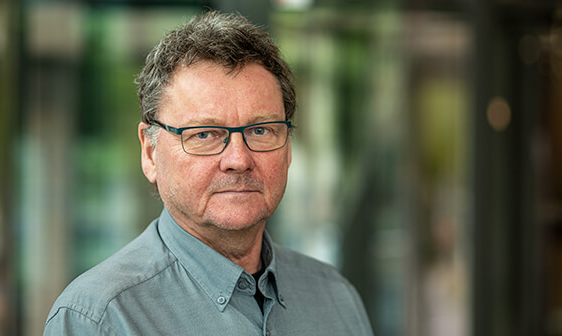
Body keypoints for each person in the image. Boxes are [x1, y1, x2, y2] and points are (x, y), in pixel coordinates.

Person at [44, 11, 373, 336]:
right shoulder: (100, 319)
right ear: (149, 153)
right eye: (204, 134)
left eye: (261, 130)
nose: (238, 159)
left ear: (287, 147)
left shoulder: (336, 298)